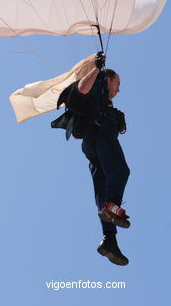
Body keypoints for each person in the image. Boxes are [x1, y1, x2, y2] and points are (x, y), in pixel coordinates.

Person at [52, 53, 130, 266]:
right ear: (108, 79)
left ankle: (109, 241)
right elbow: (79, 93)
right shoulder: (98, 86)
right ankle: (111, 207)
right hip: (100, 132)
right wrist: (96, 68)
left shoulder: (104, 101)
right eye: (118, 83)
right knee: (120, 171)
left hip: (91, 143)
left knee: (104, 188)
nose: (119, 89)